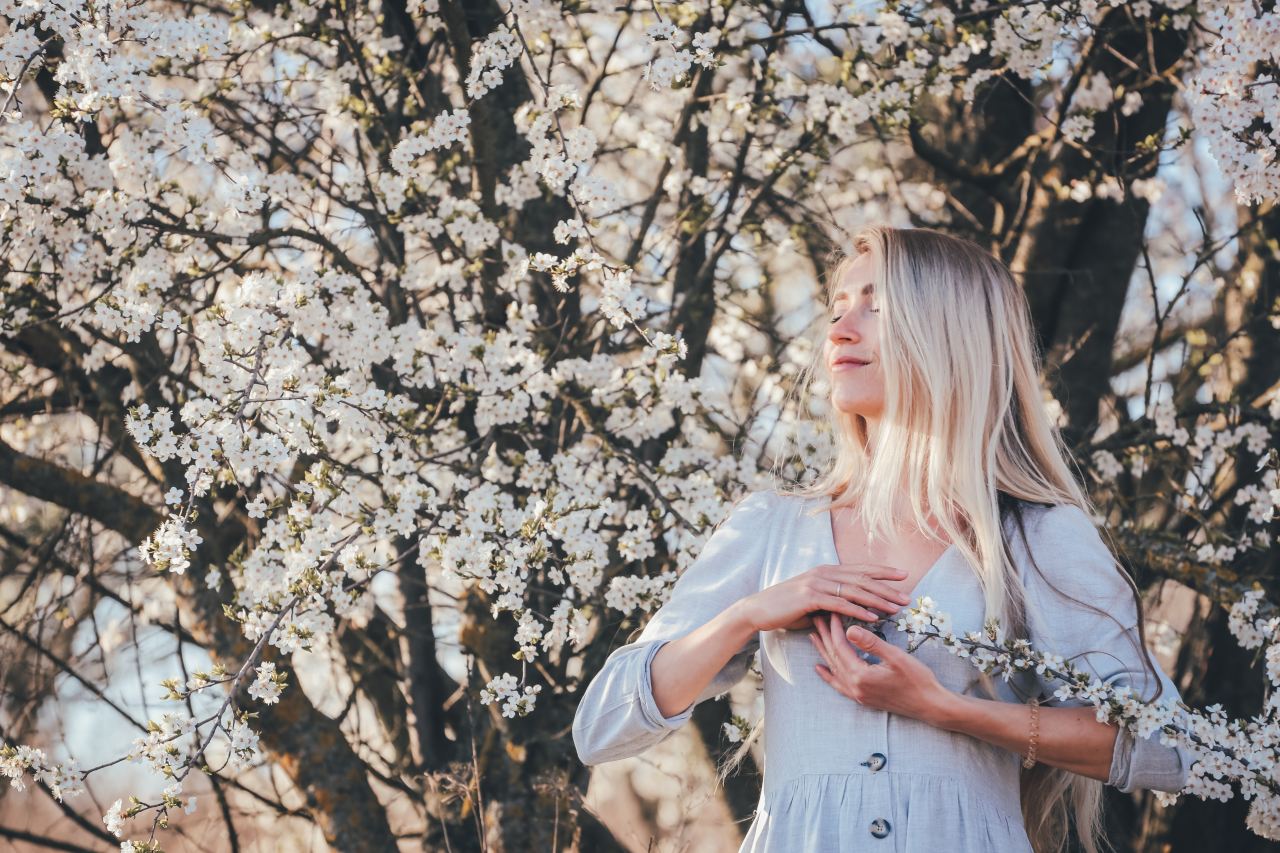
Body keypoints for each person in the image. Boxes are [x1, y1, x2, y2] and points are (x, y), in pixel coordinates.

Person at [572, 225, 1191, 853]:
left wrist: (949, 709)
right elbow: (601, 729)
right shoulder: (772, 528)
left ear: (951, 333)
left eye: (877, 306)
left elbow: (1165, 749)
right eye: (838, 309)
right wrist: (748, 615)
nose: (839, 329)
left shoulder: (1035, 535)